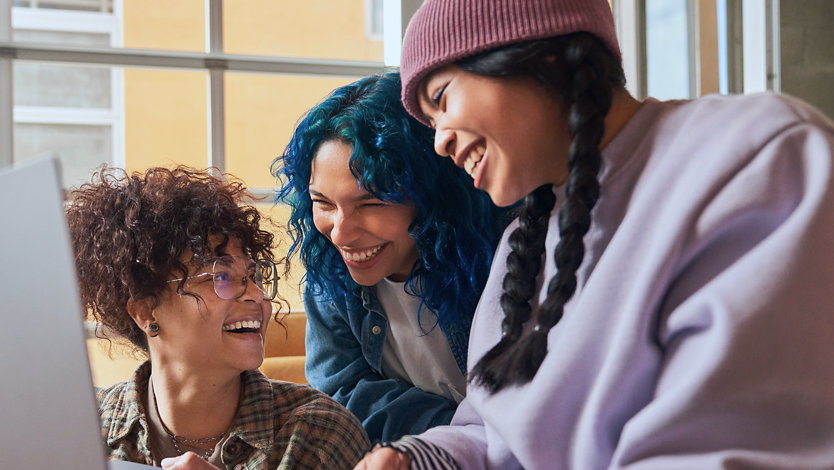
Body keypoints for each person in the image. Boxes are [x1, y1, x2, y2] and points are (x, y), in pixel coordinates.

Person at [356, 0, 834, 469]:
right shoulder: (522, 245)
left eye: (441, 99)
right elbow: (491, 433)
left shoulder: (758, 158)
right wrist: (418, 459)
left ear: (536, 47)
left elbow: (728, 445)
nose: (440, 141)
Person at [67, 166, 370, 470]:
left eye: (252, 276)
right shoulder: (81, 429)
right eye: (221, 276)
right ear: (145, 312)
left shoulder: (319, 437)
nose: (256, 295)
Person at [273, 72, 504, 442]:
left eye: (371, 204)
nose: (340, 234)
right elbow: (341, 393)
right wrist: (460, 431)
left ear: (430, 198)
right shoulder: (330, 279)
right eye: (323, 203)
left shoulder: (503, 257)